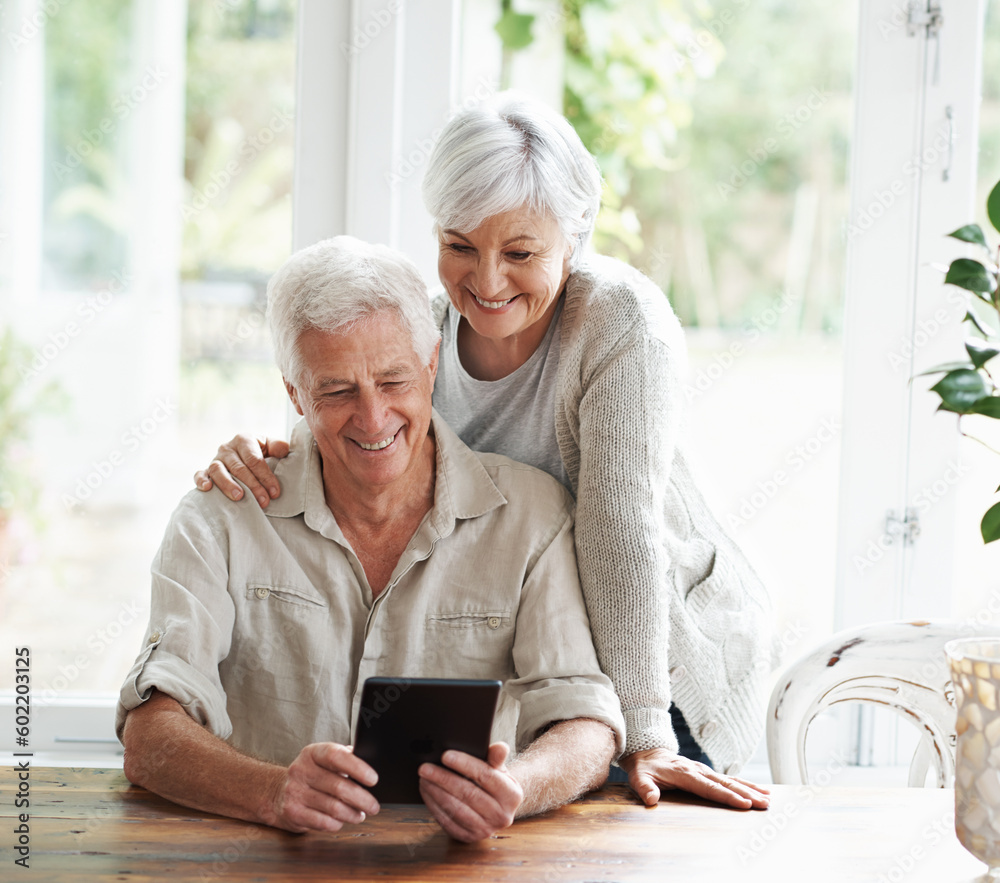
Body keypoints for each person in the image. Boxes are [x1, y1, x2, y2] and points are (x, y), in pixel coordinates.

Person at [195, 92, 775, 810]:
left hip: (661, 657)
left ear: (576, 234)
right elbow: (361, 424)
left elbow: (619, 527)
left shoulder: (622, 322)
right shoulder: (430, 332)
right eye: (459, 245)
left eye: (521, 252)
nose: (487, 281)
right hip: (561, 663)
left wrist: (648, 733)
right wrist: (264, 452)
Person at [117, 236, 625, 843]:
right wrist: (271, 792)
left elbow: (586, 721)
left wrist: (517, 787)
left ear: (432, 364)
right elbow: (149, 734)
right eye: (335, 390)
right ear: (294, 393)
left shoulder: (533, 516)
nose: (373, 417)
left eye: (392, 380)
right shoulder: (219, 517)